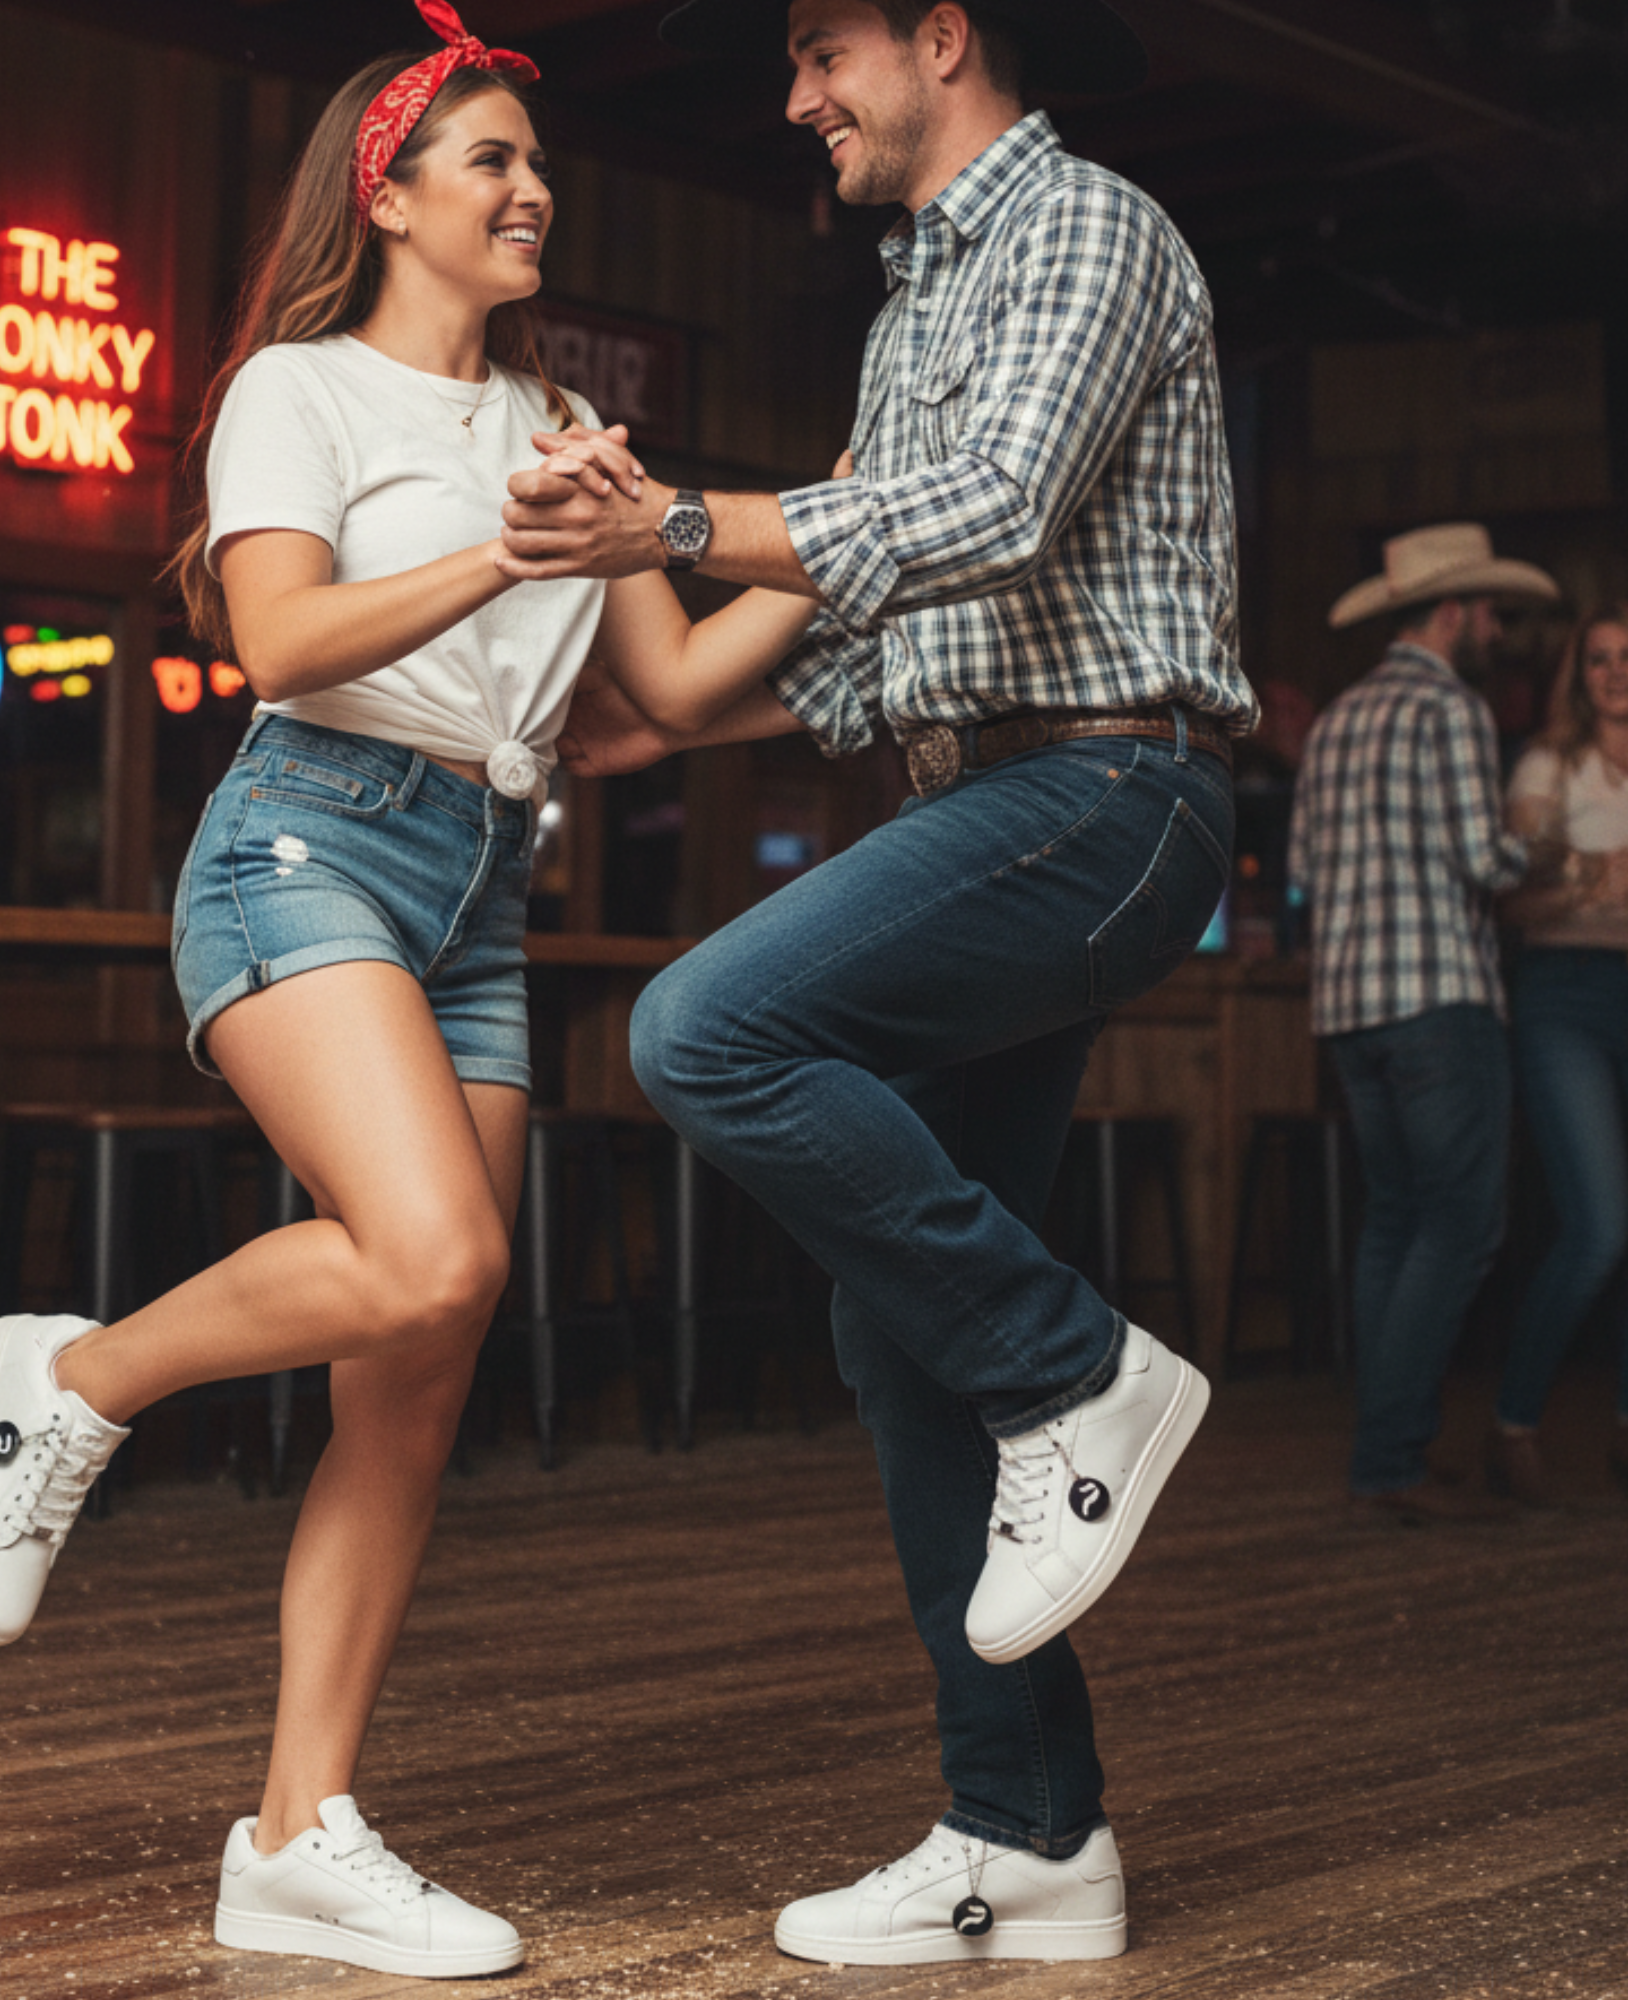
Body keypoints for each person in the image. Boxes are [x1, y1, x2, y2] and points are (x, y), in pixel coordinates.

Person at [0, 2, 820, 1979]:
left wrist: (835, 535)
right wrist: (510, 557)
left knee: (413, 1389)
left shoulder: (560, 439)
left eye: (535, 160)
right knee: (430, 1256)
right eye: (491, 158)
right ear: (391, 191)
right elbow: (277, 635)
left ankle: (295, 1832)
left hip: (483, 886)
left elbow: (668, 697)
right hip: (307, 841)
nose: (535, 188)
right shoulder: (295, 389)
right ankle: (71, 1380)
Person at [497, 0, 1255, 1967]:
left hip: (1109, 788)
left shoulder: (1081, 225)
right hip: (992, 789)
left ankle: (1082, 1369)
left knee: (705, 1026)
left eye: (821, 49)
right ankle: (1031, 1833)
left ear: (942, 33)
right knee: (891, 1328)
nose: (795, 100)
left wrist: (671, 518)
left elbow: (988, 513)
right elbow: (853, 645)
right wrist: (626, 712)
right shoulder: (912, 309)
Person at [1287, 522, 1559, 1522]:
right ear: (1451, 611)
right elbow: (1478, 861)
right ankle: (1386, 1460)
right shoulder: (1449, 707)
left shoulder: (1335, 718)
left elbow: (1305, 875)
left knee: (1395, 1223)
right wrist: (1546, 851)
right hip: (1437, 996)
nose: (1493, 627)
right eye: (1487, 609)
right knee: (1458, 1227)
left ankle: (1385, 1449)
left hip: (1347, 1004)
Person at [1490, 602, 1628, 1505]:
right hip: (1564, 996)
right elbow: (1515, 898)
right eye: (1600, 659)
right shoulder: (1551, 766)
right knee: (1599, 1225)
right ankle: (1513, 1422)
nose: (1615, 673)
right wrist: (1595, 879)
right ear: (1578, 674)